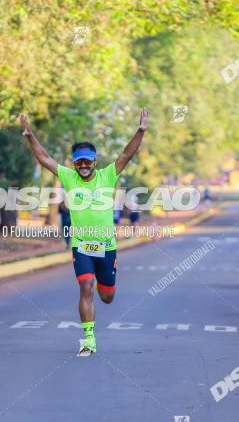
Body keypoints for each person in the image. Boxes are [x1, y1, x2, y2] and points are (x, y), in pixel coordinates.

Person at [20, 109, 149, 355]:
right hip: (82, 246)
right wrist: (29, 135)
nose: (83, 165)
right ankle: (89, 339)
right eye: (79, 161)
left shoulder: (107, 175)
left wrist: (140, 130)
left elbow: (126, 154)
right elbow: (44, 158)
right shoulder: (69, 177)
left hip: (107, 246)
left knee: (107, 296)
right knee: (86, 286)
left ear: (95, 162)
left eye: (87, 161)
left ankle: (107, 285)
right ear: (74, 164)